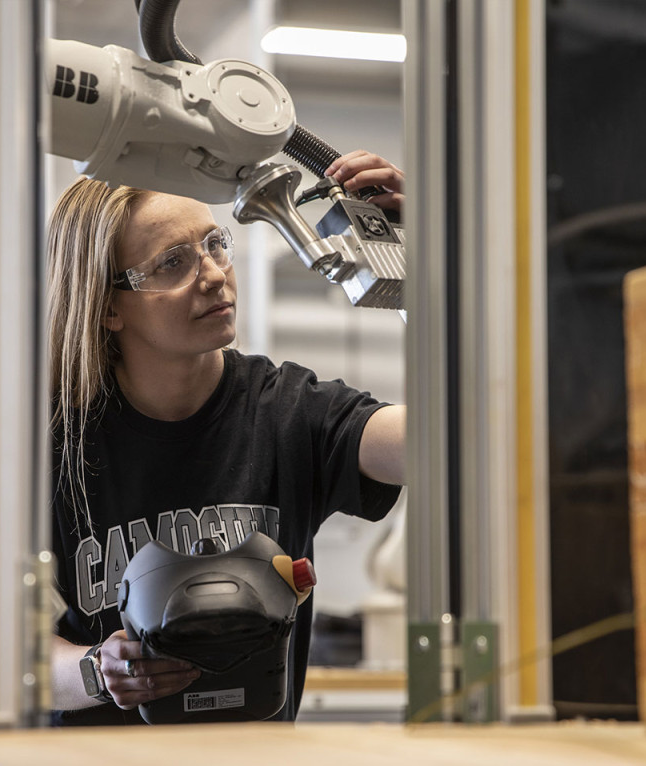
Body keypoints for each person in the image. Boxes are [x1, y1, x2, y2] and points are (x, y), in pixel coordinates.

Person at [47, 151, 407, 725]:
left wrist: (420, 267)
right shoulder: (54, 444)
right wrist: (96, 671)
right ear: (110, 306)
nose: (214, 273)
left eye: (216, 243)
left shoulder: (288, 410)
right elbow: (1, 651)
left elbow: (436, 443)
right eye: (172, 262)